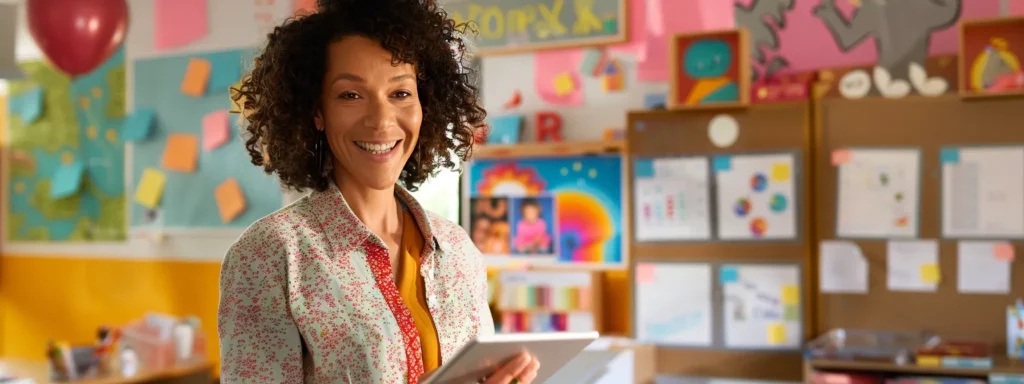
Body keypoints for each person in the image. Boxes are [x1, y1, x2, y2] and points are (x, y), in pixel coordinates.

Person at [217, 0, 541, 382]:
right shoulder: (271, 255)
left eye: (400, 93)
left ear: (426, 105)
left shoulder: (459, 251)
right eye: (350, 95)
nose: (381, 120)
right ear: (317, 112)